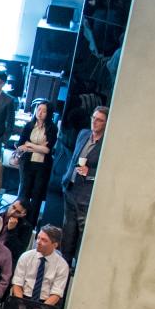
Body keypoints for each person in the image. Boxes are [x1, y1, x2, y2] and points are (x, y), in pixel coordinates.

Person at [59, 104, 107, 262]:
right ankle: (63, 265)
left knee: (81, 235)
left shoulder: (107, 144)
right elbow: (74, 157)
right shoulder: (84, 134)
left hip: (86, 195)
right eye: (94, 118)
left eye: (99, 120)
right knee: (67, 232)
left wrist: (90, 174)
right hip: (70, 188)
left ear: (106, 123)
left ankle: (76, 267)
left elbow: (107, 170)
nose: (95, 122)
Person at [14, 99, 58, 225]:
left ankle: (31, 223)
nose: (40, 113)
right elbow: (21, 145)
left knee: (37, 194)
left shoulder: (52, 129)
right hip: (27, 163)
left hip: (42, 166)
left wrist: (30, 145)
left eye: (44, 111)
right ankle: (19, 219)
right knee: (24, 191)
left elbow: (47, 150)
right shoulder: (29, 125)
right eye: (38, 109)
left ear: (48, 114)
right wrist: (37, 146)